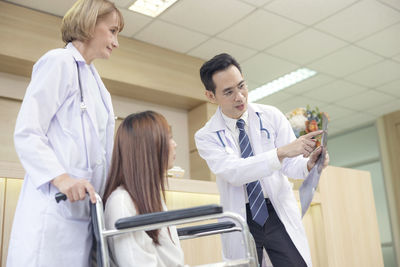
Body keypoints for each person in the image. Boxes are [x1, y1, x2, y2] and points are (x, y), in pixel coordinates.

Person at [7, 1, 124, 266]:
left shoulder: (96, 83)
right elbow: (28, 132)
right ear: (89, 23)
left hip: (82, 213)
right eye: (113, 31)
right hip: (55, 209)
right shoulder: (58, 62)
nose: (116, 42)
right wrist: (61, 178)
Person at [195, 53, 329, 267]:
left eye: (241, 86)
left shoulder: (271, 116)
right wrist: (281, 152)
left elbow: (291, 165)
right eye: (229, 92)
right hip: (242, 217)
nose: (239, 97)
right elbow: (234, 172)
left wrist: (309, 164)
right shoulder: (206, 136)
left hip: (276, 211)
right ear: (211, 96)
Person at [102, 111, 184, 267]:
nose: (175, 144)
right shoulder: (121, 202)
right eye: (169, 138)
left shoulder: (150, 198)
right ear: (149, 147)